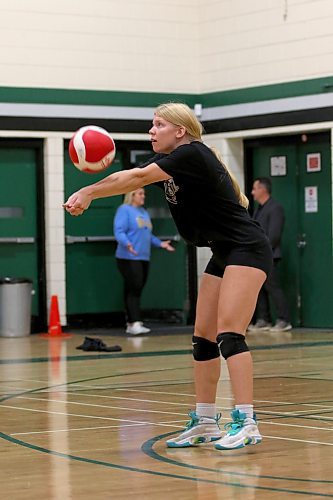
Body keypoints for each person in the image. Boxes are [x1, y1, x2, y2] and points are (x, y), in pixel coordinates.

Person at [64, 102, 273, 451]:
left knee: (230, 334)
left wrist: (87, 191)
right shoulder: (170, 163)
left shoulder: (192, 153)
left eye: (158, 124)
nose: (151, 131)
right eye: (152, 124)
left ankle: (247, 421)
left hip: (246, 249)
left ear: (180, 130)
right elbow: (128, 176)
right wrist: (95, 187)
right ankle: (206, 421)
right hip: (223, 252)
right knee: (203, 339)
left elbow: (136, 178)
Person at [114, 187, 175, 335]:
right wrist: (127, 243)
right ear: (132, 195)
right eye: (140, 193)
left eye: (144, 194)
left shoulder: (143, 212)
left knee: (136, 288)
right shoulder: (125, 210)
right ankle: (134, 322)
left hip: (143, 256)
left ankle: (131, 322)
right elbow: (119, 231)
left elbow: (148, 235)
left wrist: (161, 244)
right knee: (134, 287)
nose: (143, 196)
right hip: (128, 256)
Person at [249, 178, 292, 332]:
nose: (252, 192)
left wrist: (261, 251)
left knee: (273, 287)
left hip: (269, 256)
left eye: (255, 189)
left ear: (263, 190)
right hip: (256, 256)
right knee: (259, 288)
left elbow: (273, 236)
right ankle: (264, 319)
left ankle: (284, 320)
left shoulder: (275, 208)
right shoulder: (259, 209)